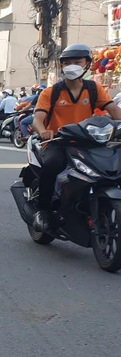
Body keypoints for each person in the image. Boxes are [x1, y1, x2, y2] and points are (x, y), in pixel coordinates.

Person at [30, 44, 121, 232]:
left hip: (88, 142)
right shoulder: (50, 93)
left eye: (77, 62)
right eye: (67, 63)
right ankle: (43, 210)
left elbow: (113, 111)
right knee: (53, 165)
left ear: (87, 64)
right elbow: (38, 120)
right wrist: (44, 132)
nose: (72, 66)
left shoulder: (94, 89)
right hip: (57, 142)